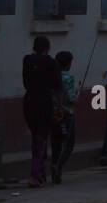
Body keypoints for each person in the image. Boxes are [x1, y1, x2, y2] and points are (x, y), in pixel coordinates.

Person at [22, 36, 61, 188]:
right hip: (44, 102)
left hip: (29, 101)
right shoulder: (52, 63)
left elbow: (25, 82)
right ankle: (34, 174)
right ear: (48, 47)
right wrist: (58, 108)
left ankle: (41, 173)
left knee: (35, 137)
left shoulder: (27, 60)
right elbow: (58, 88)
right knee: (42, 138)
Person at [50, 50, 78, 185]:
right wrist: (77, 99)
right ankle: (58, 166)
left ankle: (54, 166)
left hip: (53, 114)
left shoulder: (51, 77)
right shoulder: (68, 78)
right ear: (68, 64)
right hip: (66, 114)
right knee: (68, 144)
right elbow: (71, 98)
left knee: (55, 143)